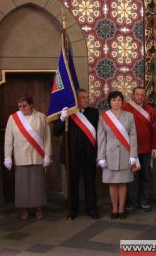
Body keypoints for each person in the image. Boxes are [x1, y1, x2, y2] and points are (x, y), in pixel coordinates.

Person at [53, 88, 99, 220]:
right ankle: (73, 209)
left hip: (89, 154)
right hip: (71, 154)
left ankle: (91, 208)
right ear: (76, 100)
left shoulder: (93, 112)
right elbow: (56, 132)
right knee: (72, 183)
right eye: (83, 98)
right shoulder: (68, 113)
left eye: (86, 97)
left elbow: (98, 134)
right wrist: (62, 118)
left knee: (90, 182)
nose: (86, 100)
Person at [4, 95, 52, 220]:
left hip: (37, 155)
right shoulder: (13, 118)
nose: (21, 108)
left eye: (24, 106)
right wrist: (7, 157)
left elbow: (47, 138)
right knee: (22, 185)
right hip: (20, 157)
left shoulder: (41, 117)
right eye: (19, 106)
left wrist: (47, 155)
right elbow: (8, 139)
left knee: (37, 184)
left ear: (31, 105)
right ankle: (24, 209)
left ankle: (38, 208)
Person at [97, 91, 138, 219]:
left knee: (123, 183)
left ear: (122, 102)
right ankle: (114, 209)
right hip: (110, 155)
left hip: (126, 153)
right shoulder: (104, 117)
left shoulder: (129, 116)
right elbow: (101, 138)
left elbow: (133, 135)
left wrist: (133, 155)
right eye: (114, 100)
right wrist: (101, 157)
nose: (117, 103)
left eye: (119, 100)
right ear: (110, 102)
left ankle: (122, 209)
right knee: (113, 183)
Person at [122, 87, 156, 211]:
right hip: (131, 150)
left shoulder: (150, 110)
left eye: (142, 95)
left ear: (145, 96)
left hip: (146, 150)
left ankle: (144, 201)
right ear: (133, 95)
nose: (140, 97)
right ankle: (131, 202)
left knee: (145, 176)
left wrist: (154, 146)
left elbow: (154, 131)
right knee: (131, 176)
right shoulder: (125, 108)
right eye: (137, 94)